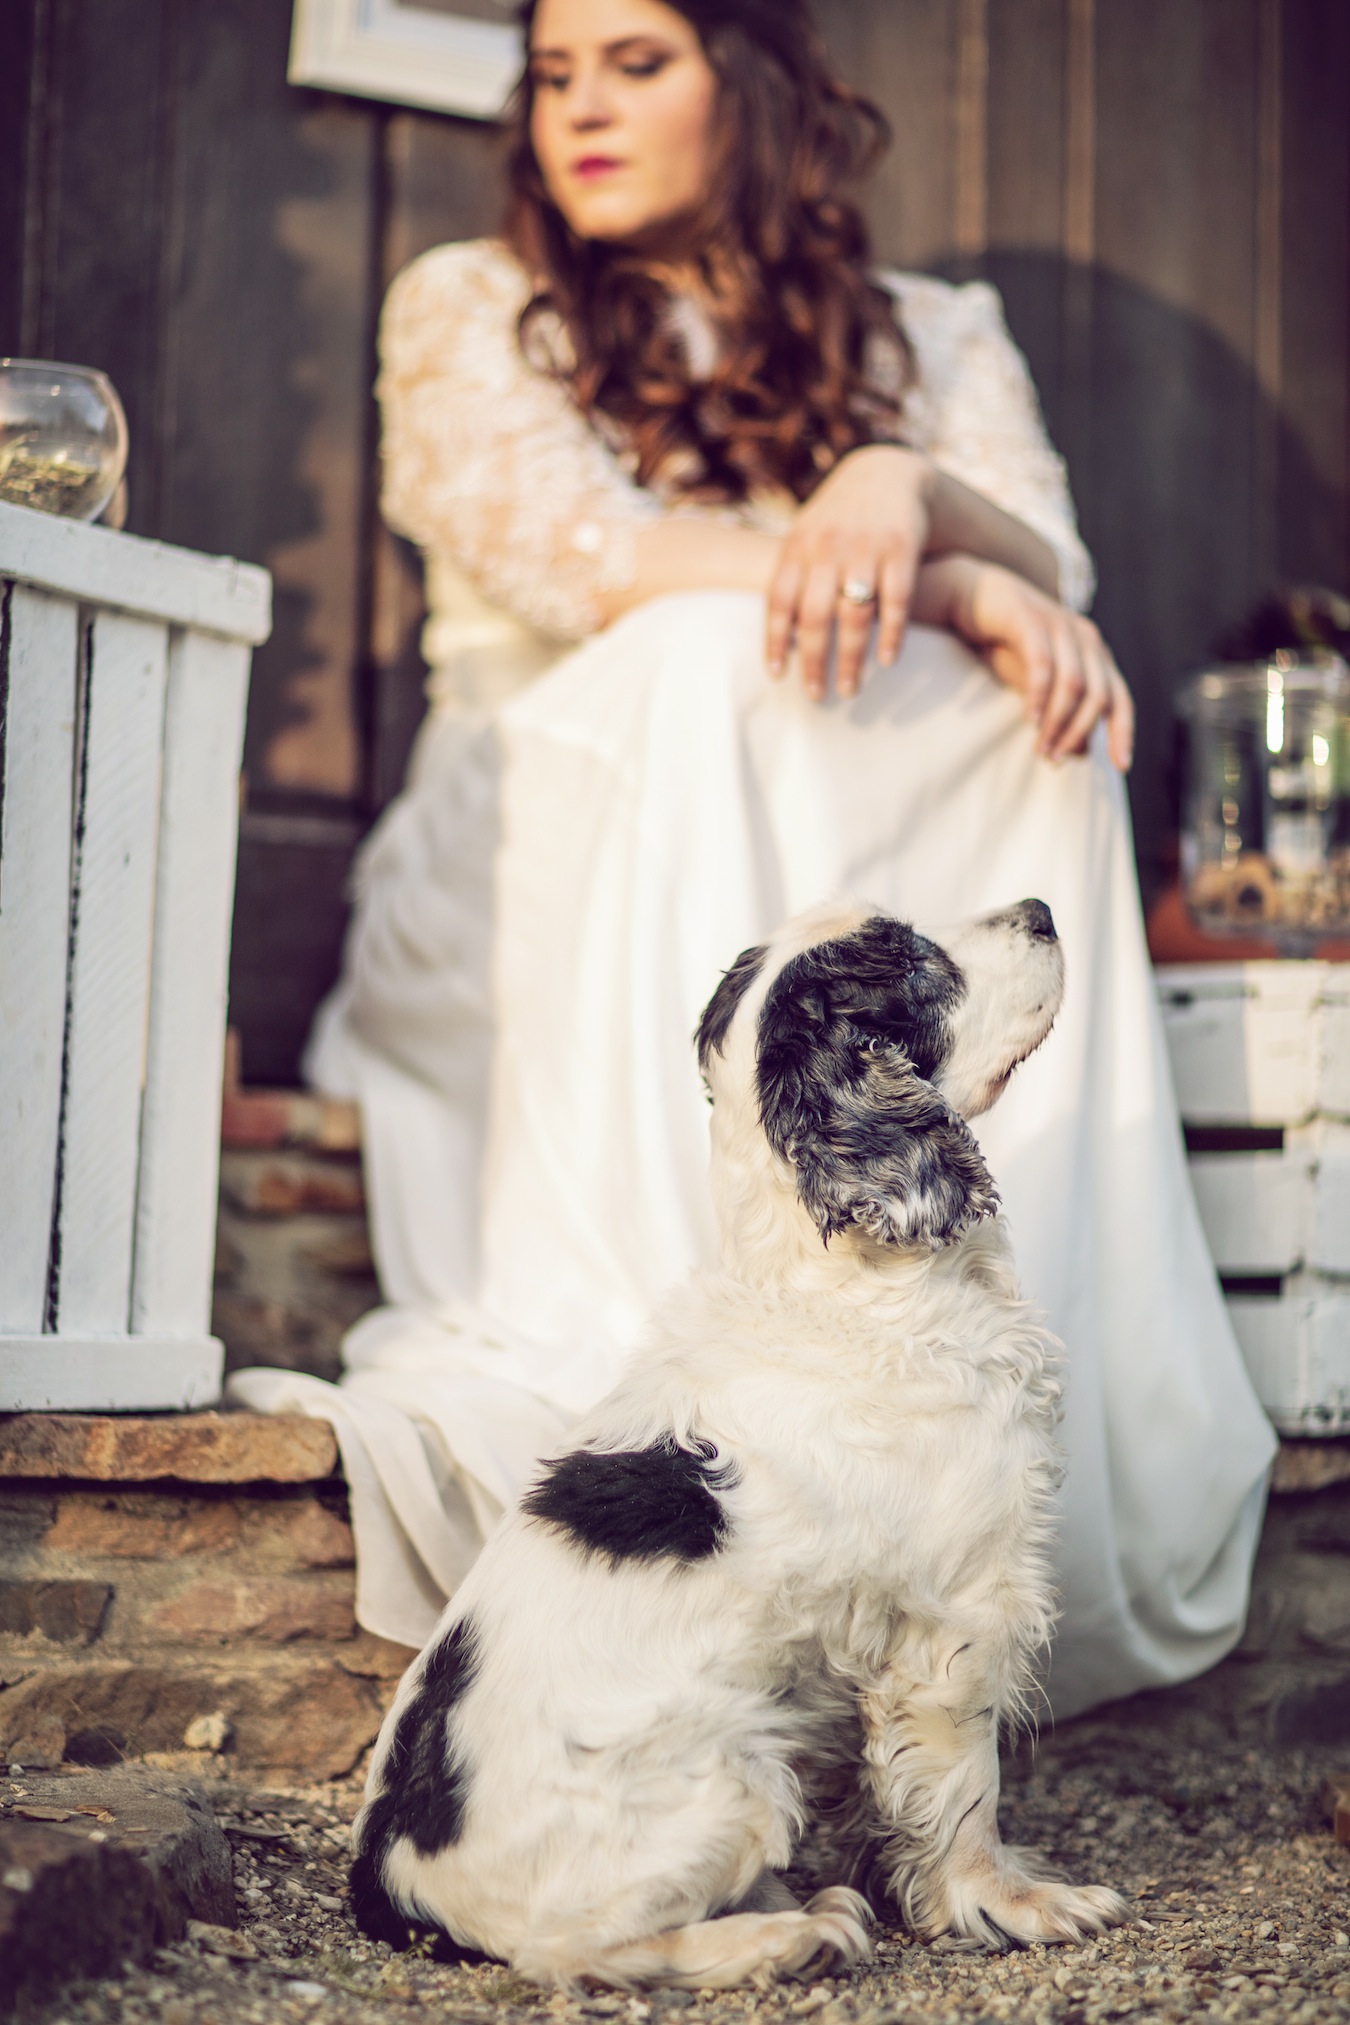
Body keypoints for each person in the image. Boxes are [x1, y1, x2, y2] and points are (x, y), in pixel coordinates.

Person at [231, 0, 1275, 1719]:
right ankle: (690, 1335)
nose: (578, 106)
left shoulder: (933, 335)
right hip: (534, 828)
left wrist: (899, 474)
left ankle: (1028, 1335)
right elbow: (593, 568)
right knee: (708, 651)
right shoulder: (472, 307)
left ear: (755, 85)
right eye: (555, 70)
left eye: (636, 62)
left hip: (807, 819)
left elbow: (1057, 575)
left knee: (1042, 707)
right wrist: (935, 567)